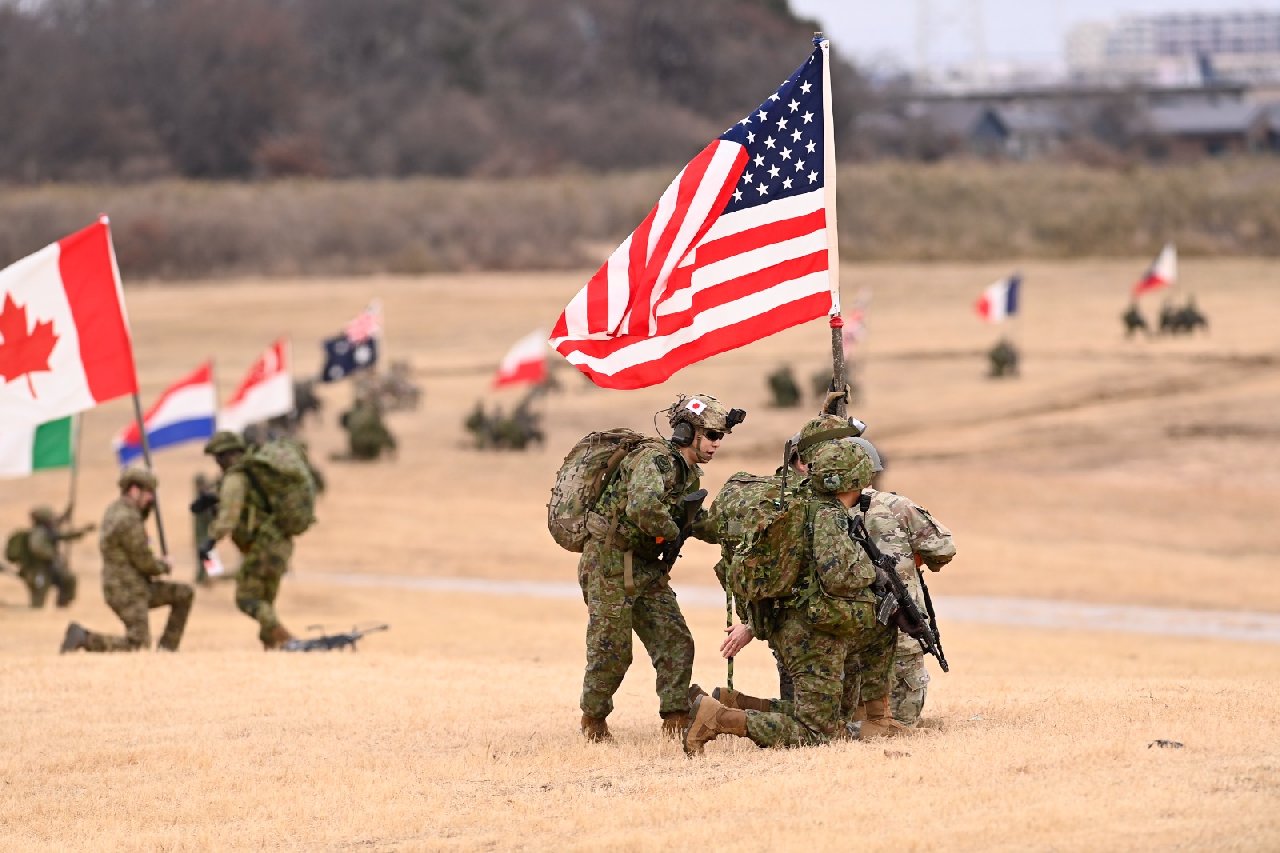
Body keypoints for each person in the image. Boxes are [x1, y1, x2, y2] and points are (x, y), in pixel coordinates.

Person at [683, 440, 904, 754]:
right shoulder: (827, 514)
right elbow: (837, 575)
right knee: (815, 732)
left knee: (832, 720)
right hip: (810, 631)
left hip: (793, 622)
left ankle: (736, 702)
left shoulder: (800, 502)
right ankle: (717, 718)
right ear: (851, 481)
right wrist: (875, 573)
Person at [578, 393, 742, 742]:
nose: (716, 444)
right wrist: (672, 532)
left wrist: (733, 530)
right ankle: (593, 721)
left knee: (675, 642)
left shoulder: (688, 474)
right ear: (686, 432)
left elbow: (694, 522)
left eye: (720, 437)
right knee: (611, 651)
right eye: (711, 435)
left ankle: (675, 718)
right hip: (609, 564)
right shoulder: (654, 460)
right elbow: (643, 508)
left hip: (646, 569)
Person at [850, 436, 956, 727]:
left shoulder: (821, 512)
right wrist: (912, 560)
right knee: (902, 722)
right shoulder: (896, 506)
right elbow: (943, 548)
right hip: (902, 633)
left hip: (848, 640)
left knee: (854, 724)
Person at [59, 467, 193, 653]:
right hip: (128, 591)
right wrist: (163, 565)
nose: (150, 499)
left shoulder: (115, 510)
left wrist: (146, 511)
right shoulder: (128, 520)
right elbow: (144, 562)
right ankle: (84, 638)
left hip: (131, 587)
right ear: (134, 490)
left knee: (184, 593)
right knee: (138, 645)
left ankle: (167, 649)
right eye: (148, 493)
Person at [202, 430, 296, 649]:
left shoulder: (236, 477)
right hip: (280, 544)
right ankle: (272, 646)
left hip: (263, 546)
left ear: (227, 456)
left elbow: (228, 518)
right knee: (265, 601)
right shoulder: (253, 473)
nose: (218, 464)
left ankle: (287, 640)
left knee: (246, 599)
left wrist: (209, 541)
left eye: (218, 458)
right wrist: (214, 496)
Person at [12, 506, 92, 608]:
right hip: (38, 571)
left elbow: (61, 532)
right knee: (37, 603)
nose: (52, 520)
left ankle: (62, 606)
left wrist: (68, 515)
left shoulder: (48, 531)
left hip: (49, 569)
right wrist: (52, 556)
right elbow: (38, 548)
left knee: (68, 580)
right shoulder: (39, 534)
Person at [339, 397, 397, 461]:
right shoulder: (371, 413)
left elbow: (344, 425)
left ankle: (359, 454)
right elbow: (383, 431)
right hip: (371, 447)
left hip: (356, 446)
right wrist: (391, 447)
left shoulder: (350, 414)